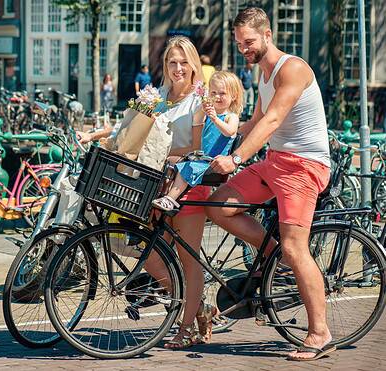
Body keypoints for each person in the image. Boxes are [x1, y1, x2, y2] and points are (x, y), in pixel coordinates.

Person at [206, 7, 332, 361]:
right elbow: (253, 123)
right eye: (239, 44)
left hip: (304, 166)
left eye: (249, 42)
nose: (244, 49)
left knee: (296, 248)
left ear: (267, 35)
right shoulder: (263, 75)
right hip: (275, 162)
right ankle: (273, 255)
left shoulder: (291, 68)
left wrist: (236, 158)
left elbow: (273, 120)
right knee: (221, 204)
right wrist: (210, 140)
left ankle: (320, 332)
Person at [132, 36, 215, 350]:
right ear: (165, 65)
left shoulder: (200, 99)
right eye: (172, 62)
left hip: (189, 184)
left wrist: (164, 152)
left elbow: (200, 149)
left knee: (188, 260)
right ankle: (197, 307)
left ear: (193, 64)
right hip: (158, 185)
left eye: (183, 62)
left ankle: (185, 329)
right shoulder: (159, 95)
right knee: (152, 258)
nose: (178, 68)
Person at [152, 71, 242, 211]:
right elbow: (197, 121)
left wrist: (215, 119)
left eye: (222, 93)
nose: (217, 97)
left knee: (186, 168)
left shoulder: (231, 116)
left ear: (234, 96)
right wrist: (203, 108)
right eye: (213, 93)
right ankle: (163, 193)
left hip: (214, 162)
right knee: (169, 161)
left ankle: (170, 199)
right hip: (200, 156)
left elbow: (229, 131)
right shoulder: (210, 114)